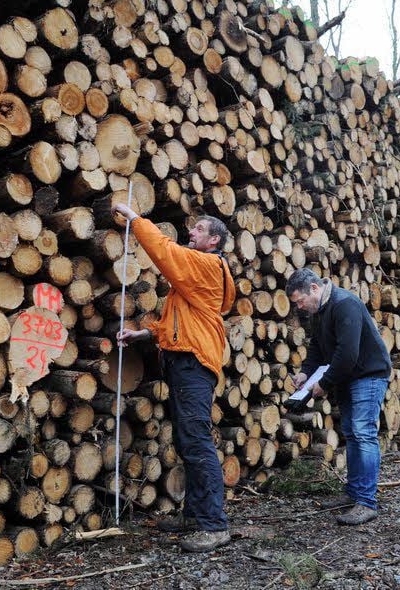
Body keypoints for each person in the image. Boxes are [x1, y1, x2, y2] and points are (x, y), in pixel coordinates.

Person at [113, 203, 235, 552]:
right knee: (186, 440)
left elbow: (166, 252)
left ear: (214, 240)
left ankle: (214, 526)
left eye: (198, 230)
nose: (191, 233)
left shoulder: (208, 264)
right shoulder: (193, 284)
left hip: (194, 364)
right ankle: (196, 516)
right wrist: (144, 335)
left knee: (196, 440)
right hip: (187, 362)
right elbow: (176, 323)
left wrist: (137, 220)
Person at [285, 268, 392, 525]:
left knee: (363, 432)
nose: (299, 307)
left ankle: (366, 502)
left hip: (368, 374)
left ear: (314, 288)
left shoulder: (344, 304)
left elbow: (347, 354)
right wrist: (305, 374)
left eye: (300, 300)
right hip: (349, 376)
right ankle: (354, 493)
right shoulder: (319, 309)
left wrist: (324, 384)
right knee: (352, 433)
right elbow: (317, 347)